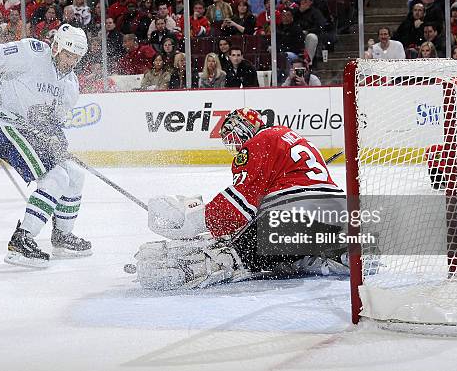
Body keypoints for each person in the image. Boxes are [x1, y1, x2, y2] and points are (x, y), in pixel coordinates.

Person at [132, 108, 348, 290]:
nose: (234, 146)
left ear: (243, 127)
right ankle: (327, 254)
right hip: (336, 216)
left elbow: (238, 206)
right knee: (279, 255)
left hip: (294, 217)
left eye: (231, 136)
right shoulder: (289, 137)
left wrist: (194, 221)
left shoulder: (259, 142)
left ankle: (197, 266)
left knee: (229, 253)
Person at [0, 25, 92, 267]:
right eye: (68, 55)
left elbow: (54, 122)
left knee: (75, 175)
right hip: (3, 125)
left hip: (29, 132)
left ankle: (62, 235)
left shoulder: (70, 85)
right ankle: (22, 241)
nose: (71, 61)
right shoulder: (33, 52)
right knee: (55, 178)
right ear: (56, 47)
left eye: (76, 57)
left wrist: (56, 138)